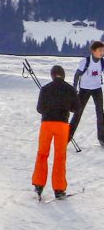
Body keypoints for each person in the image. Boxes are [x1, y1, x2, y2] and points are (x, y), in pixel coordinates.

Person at [34, 63, 77, 200]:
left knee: (42, 154)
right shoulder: (70, 89)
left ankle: (39, 185)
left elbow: (39, 108)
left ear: (52, 75)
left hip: (47, 124)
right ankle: (59, 189)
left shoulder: (45, 89)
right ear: (63, 75)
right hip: (62, 125)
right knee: (60, 156)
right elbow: (76, 108)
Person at [70, 39, 104, 145]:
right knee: (78, 113)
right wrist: (74, 88)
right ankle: (67, 136)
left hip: (97, 89)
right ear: (93, 51)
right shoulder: (85, 62)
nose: (102, 52)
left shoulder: (102, 62)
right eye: (100, 50)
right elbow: (77, 75)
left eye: (103, 50)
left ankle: (102, 138)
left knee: (100, 114)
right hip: (84, 90)